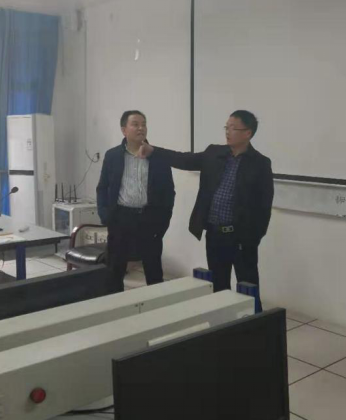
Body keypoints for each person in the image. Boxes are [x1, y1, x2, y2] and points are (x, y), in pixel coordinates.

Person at [139, 110, 273, 309]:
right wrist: (153, 151)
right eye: (226, 127)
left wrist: (252, 239)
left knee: (248, 287)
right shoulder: (214, 153)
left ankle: (255, 324)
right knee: (219, 286)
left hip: (241, 238)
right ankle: (222, 323)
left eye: (233, 128)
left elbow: (264, 206)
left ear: (248, 133)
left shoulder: (260, 163)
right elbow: (184, 159)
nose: (227, 131)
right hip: (215, 234)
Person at [96, 111, 175, 294]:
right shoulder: (113, 156)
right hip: (121, 218)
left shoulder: (157, 157)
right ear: (124, 130)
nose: (141, 128)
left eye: (144, 124)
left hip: (149, 219)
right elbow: (102, 188)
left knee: (154, 271)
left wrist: (163, 222)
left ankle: (157, 305)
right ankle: (116, 305)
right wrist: (106, 216)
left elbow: (168, 192)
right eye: (136, 124)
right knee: (115, 270)